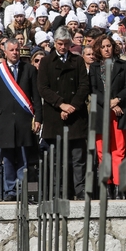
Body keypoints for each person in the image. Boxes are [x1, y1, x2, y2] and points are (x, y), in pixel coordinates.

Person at [37, 26, 89, 199]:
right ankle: (58, 191)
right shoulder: (46, 62)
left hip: (75, 116)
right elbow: (43, 88)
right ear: (54, 43)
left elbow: (83, 86)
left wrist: (71, 106)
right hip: (54, 116)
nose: (63, 47)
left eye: (66, 44)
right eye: (60, 44)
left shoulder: (78, 61)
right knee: (56, 160)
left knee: (78, 158)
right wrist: (61, 104)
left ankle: (79, 190)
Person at [0, 39, 42, 201]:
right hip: (5, 121)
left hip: (24, 120)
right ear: (5, 52)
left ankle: (24, 190)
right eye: (12, 50)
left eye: (17, 50)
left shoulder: (29, 69)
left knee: (25, 157)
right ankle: (10, 190)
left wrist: (38, 118)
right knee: (8, 157)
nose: (15, 52)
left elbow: (36, 96)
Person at [90, 35, 126, 199]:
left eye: (109, 46)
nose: (106, 49)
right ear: (98, 49)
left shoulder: (124, 66)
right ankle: (107, 186)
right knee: (102, 151)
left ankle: (119, 188)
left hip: (119, 113)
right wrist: (109, 103)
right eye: (103, 46)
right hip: (101, 113)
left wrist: (117, 100)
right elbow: (93, 89)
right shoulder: (94, 68)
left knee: (119, 150)